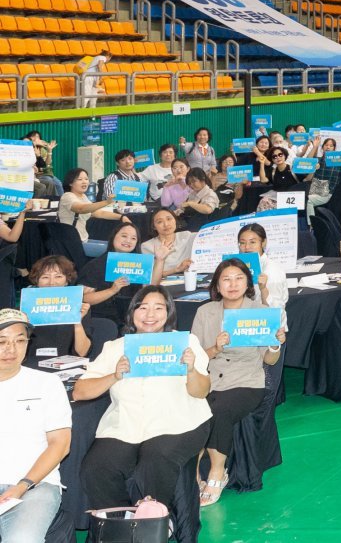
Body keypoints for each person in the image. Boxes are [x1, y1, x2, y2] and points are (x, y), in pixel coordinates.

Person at [74, 286, 211, 513]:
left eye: (159, 308)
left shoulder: (185, 342)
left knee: (155, 458)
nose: (150, 315)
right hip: (125, 425)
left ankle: (153, 522)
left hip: (179, 422)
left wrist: (190, 370)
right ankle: (120, 522)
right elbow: (80, 391)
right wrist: (114, 375)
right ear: (132, 312)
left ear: (169, 313)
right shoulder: (115, 348)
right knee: (96, 468)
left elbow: (201, 391)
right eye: (143, 307)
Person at [191, 258, 286, 507]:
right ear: (217, 285)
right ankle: (191, 474)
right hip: (209, 378)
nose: (232, 284)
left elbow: (270, 360)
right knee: (194, 409)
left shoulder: (262, 313)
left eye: (238, 278)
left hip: (247, 380)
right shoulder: (205, 312)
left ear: (248, 283)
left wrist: (275, 343)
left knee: (218, 410)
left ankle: (216, 472)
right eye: (226, 279)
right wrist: (215, 347)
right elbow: (196, 356)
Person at [0, 308, 72, 542]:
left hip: (34, 487)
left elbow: (60, 445)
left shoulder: (46, 384)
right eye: (2, 341)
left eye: (20, 340)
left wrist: (22, 486)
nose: (11, 349)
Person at [141, 209, 195, 285]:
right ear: (154, 227)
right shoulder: (147, 246)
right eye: (160, 222)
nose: (166, 224)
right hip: (162, 285)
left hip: (190, 281)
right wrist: (175, 270)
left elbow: (207, 234)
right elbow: (148, 277)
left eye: (169, 219)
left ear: (175, 220)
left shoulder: (187, 236)